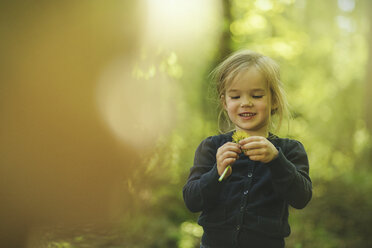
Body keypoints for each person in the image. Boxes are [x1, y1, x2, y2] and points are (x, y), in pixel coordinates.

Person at [182, 50, 312, 248]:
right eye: (235, 96)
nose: (246, 103)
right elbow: (192, 201)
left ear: (274, 100)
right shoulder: (211, 147)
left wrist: (276, 161)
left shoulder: (289, 150)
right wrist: (216, 172)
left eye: (257, 95)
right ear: (224, 102)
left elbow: (301, 198)